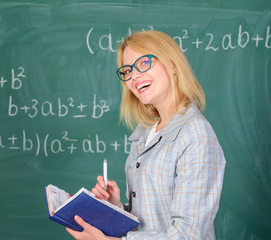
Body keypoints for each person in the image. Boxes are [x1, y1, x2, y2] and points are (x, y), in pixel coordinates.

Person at [66, 30, 226, 239]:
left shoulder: (195, 134)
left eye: (143, 63)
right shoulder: (146, 132)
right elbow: (152, 219)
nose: (134, 76)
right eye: (128, 71)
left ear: (173, 65)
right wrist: (116, 208)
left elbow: (189, 234)